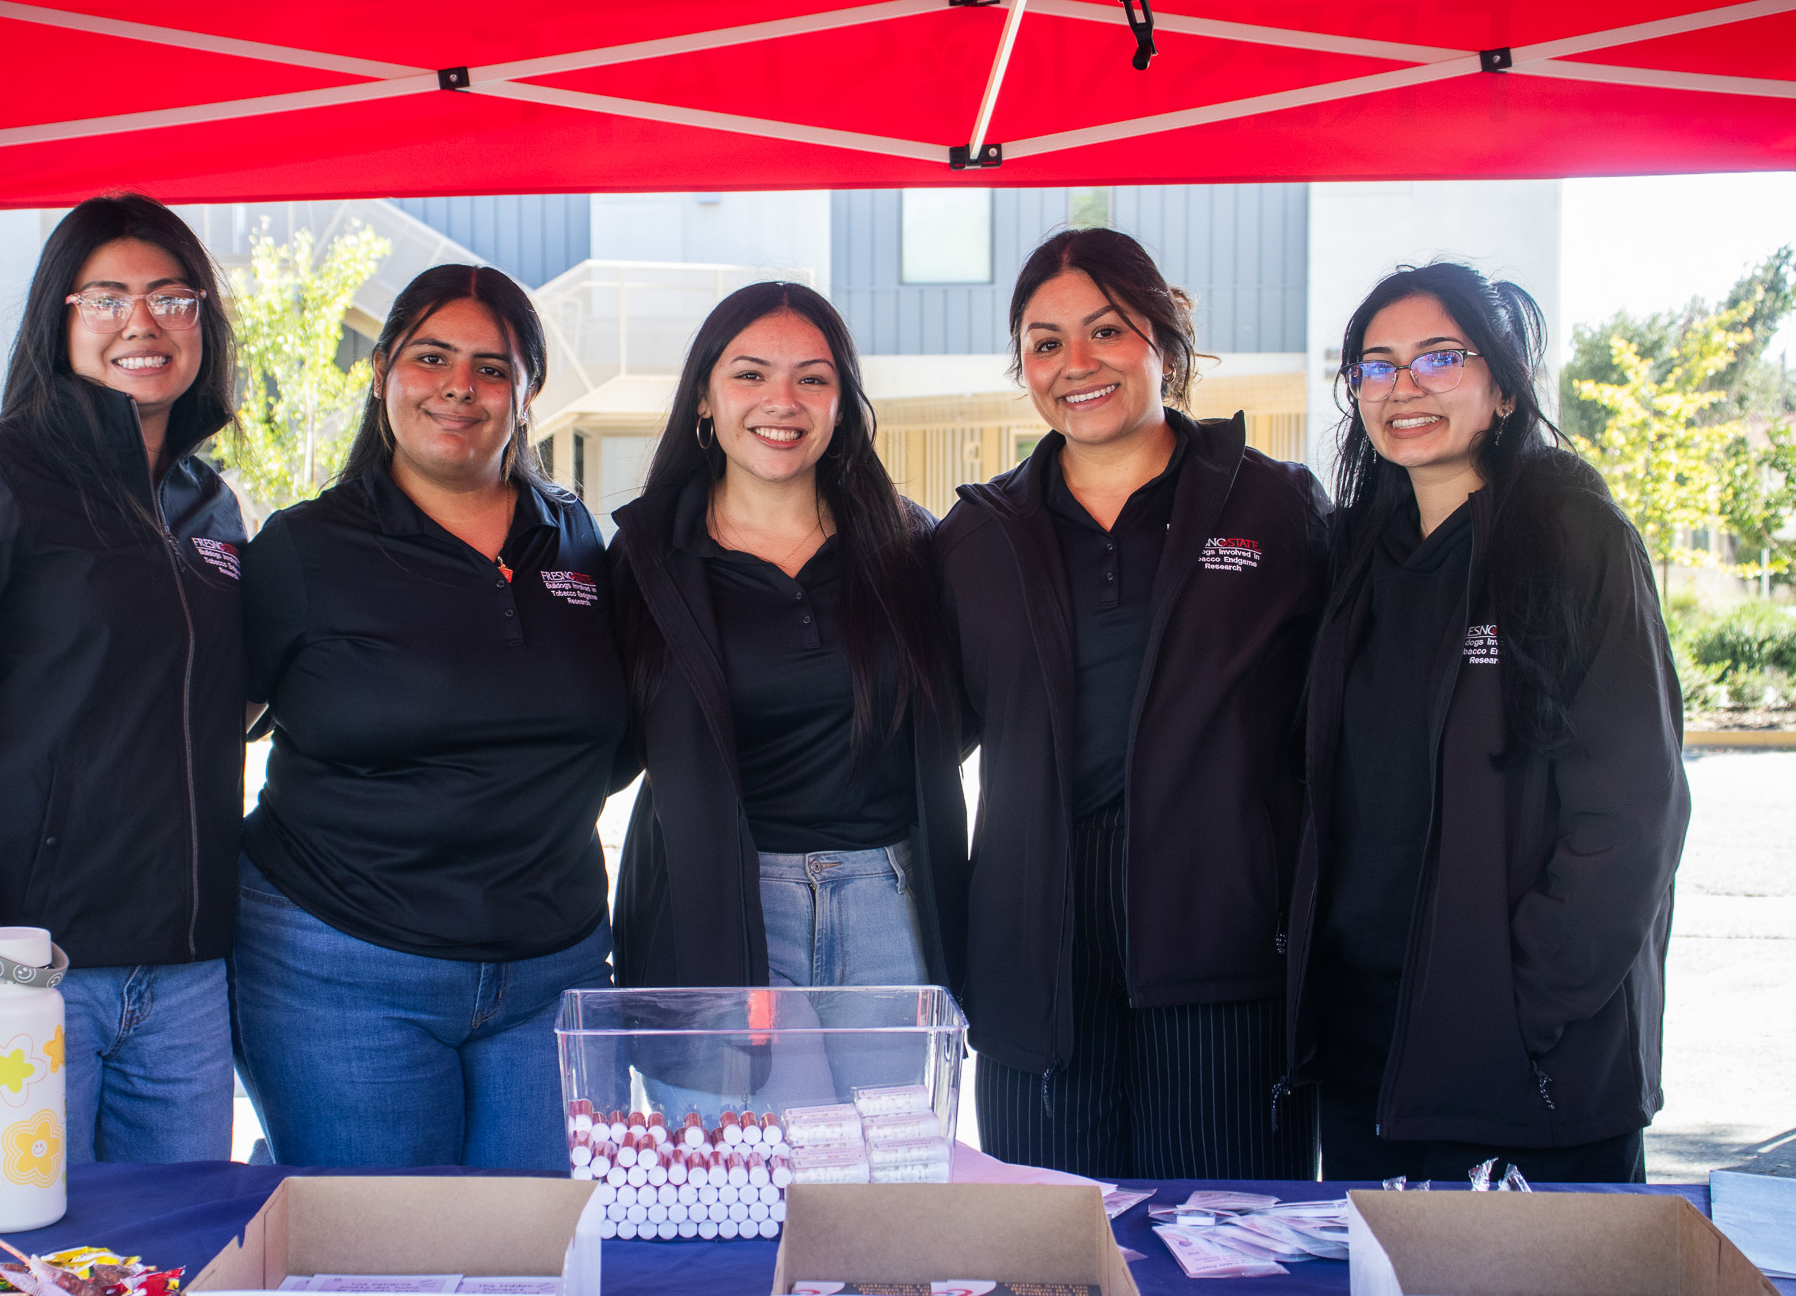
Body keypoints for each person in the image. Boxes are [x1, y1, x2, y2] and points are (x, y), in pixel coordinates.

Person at [935, 228, 1330, 1180]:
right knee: (1055, 1263)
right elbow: (923, 732)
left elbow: (1344, 723)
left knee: (1228, 1256)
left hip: (1223, 945)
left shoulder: (1275, 509)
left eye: (1106, 330)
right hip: (1041, 958)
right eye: (1044, 342)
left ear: (1163, 337)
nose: (1077, 364)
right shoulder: (974, 537)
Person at [0, 194, 245, 1163]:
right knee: (11, 1289)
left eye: (170, 296)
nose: (141, 322)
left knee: (184, 1281)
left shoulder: (210, 506)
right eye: (107, 296)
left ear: (203, 319)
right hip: (28, 974)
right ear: (58, 317)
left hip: (185, 985)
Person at [1284, 264, 1688, 1183]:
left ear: (1503, 387)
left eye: (1438, 356)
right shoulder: (1358, 555)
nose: (1404, 386)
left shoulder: (1573, 537)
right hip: (1365, 1054)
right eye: (1376, 367)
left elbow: (1633, 815)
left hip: (1521, 1057)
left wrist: (1524, 1004)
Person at [234, 264, 627, 1171]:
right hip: (342, 967)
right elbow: (207, 731)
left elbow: (608, 736)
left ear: (528, 393)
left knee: (541, 1258)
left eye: (493, 367)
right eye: (431, 357)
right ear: (381, 374)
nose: (459, 386)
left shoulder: (574, 539)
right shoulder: (302, 550)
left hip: (552, 971)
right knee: (381, 1268)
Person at [609, 281, 964, 994]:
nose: (783, 401)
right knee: (731, 1110)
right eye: (749, 375)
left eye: (813, 378)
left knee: (891, 1111)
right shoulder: (645, 556)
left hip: (887, 898)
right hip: (715, 903)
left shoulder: (909, 544)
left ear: (843, 402)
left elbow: (962, 711)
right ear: (705, 398)